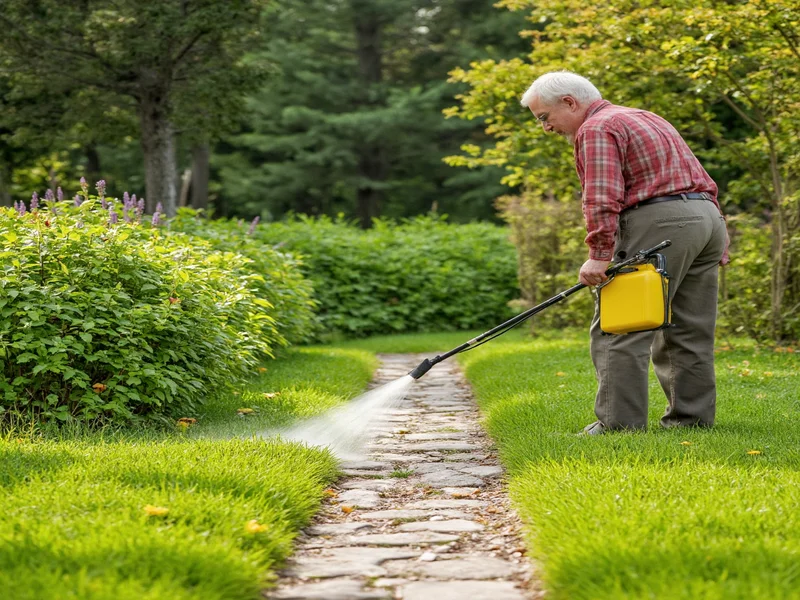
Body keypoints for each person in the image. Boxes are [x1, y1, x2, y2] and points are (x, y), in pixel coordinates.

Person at [520, 71, 728, 435]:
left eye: (544, 117)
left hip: (659, 222)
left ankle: (618, 425)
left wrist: (599, 254)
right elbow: (700, 176)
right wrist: (716, 232)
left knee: (621, 325)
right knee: (689, 328)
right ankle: (690, 422)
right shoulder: (645, 117)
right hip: (705, 219)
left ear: (570, 102)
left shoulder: (596, 128)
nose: (546, 128)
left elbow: (601, 195)